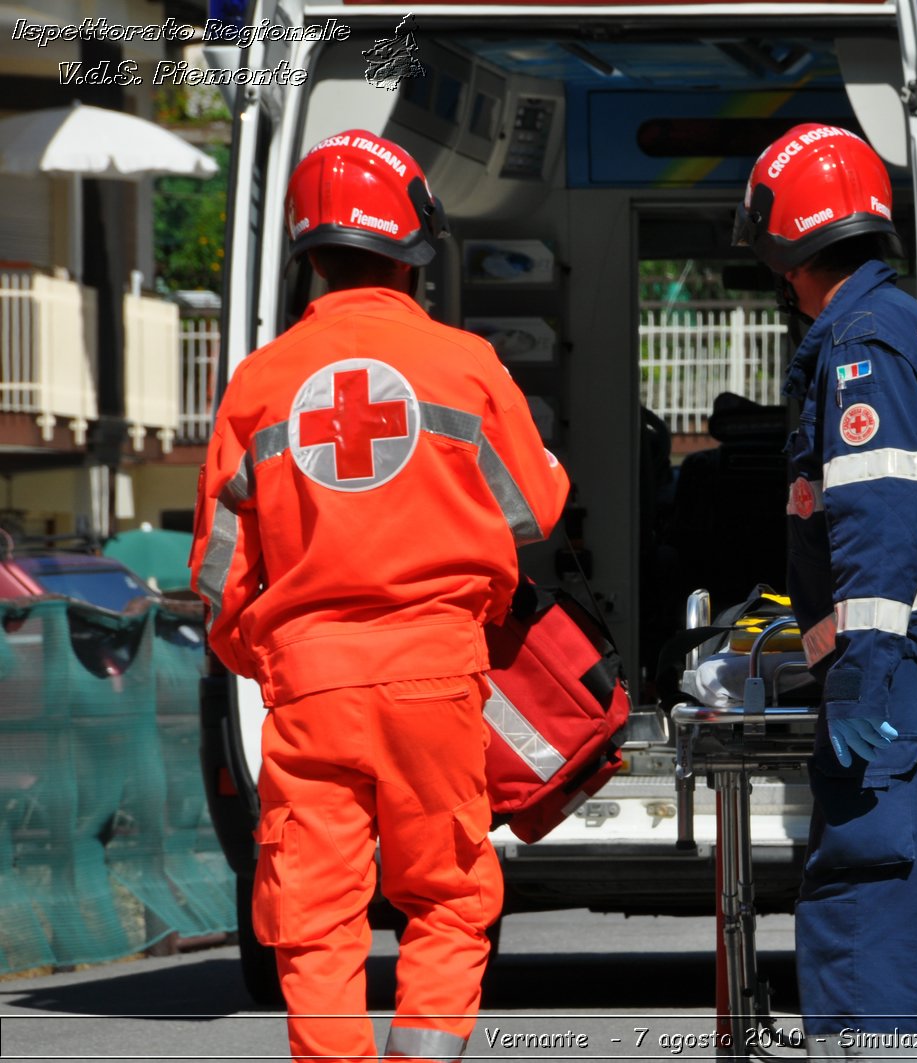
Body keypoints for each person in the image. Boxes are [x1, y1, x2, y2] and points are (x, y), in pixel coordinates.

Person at [190, 130, 569, 1063]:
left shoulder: (258, 384)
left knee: (315, 919)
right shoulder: (465, 365)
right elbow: (538, 510)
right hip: (434, 678)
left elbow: (219, 579)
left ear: (306, 252)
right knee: (446, 895)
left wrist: (274, 655)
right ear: (416, 242)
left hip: (309, 689)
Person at [732, 123, 917, 1057]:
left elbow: (878, 512)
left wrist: (861, 663)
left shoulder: (860, 342)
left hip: (909, 661)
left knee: (870, 901)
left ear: (791, 246)